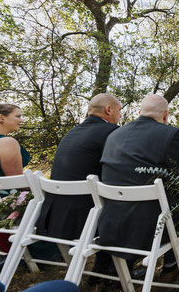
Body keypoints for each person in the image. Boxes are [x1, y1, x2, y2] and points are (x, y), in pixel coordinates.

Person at [96, 94, 179, 278]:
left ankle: (117, 271)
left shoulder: (113, 135)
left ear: (139, 112)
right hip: (151, 228)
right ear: (165, 115)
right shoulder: (171, 134)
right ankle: (171, 266)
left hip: (111, 222)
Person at [36, 93, 121, 240]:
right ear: (108, 110)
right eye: (119, 111)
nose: (119, 116)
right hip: (85, 212)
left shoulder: (72, 132)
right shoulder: (112, 132)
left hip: (57, 211)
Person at [0, 104, 30, 274]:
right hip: (2, 209)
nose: (21, 120)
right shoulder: (5, 142)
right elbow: (16, 183)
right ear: (0, 118)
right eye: (17, 116)